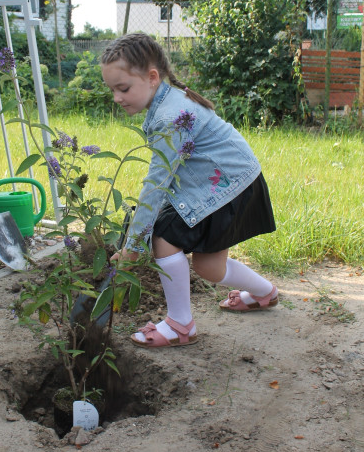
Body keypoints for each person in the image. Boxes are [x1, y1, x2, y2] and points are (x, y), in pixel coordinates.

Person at [101, 33, 277, 349]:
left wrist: (133, 247)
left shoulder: (171, 117)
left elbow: (156, 186)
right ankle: (265, 293)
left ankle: (180, 325)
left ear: (152, 77)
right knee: (209, 268)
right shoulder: (169, 101)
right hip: (233, 180)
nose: (116, 97)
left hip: (227, 187)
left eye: (123, 88)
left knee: (163, 236)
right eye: (112, 89)